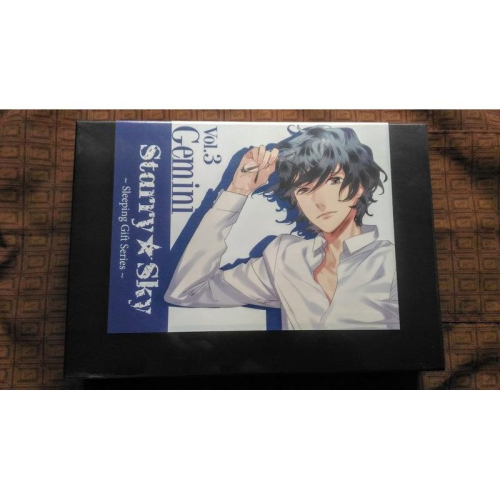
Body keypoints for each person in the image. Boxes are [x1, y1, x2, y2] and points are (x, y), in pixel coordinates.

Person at [165, 126, 399, 330]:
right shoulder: (285, 257)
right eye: (304, 190)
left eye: (333, 181)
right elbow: (186, 292)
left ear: (359, 186)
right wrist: (238, 191)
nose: (320, 202)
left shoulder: (390, 261)